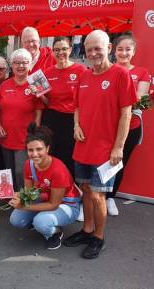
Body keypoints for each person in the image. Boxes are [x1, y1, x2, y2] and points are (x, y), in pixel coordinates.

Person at [63, 30, 137, 259]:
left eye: (98, 48)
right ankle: (86, 230)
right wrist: (76, 126)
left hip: (106, 150)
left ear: (109, 49)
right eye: (89, 49)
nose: (93, 53)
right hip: (83, 147)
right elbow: (77, 107)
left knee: (98, 196)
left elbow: (126, 114)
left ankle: (98, 237)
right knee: (85, 190)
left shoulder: (120, 75)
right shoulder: (84, 76)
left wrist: (118, 147)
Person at [7, 124, 80, 250]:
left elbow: (54, 204)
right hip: (45, 198)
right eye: (30, 150)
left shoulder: (58, 170)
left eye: (39, 149)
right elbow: (30, 193)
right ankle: (40, 218)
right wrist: (13, 194)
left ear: (47, 148)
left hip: (67, 204)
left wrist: (24, 206)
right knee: (16, 220)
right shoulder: (28, 165)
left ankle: (55, 232)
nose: (34, 154)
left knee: (41, 222)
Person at [105, 33, 150, 216]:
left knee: (118, 163)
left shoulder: (142, 72)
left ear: (134, 52)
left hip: (130, 127)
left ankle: (109, 198)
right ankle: (96, 197)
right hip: (106, 125)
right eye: (120, 49)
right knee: (100, 162)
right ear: (114, 51)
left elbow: (143, 101)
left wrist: (119, 103)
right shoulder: (106, 70)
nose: (123, 53)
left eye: (127, 49)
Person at [0, 48, 43, 190]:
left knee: (21, 171)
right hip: (6, 136)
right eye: (16, 63)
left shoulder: (36, 82)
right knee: (8, 170)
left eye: (24, 63)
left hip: (25, 137)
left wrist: (35, 133)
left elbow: (40, 109)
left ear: (30, 64)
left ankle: (25, 198)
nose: (20, 66)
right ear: (12, 65)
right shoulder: (4, 85)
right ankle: (12, 197)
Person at [41, 37, 87, 177]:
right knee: (51, 153)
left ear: (71, 50)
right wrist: (39, 94)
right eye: (57, 50)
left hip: (72, 119)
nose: (60, 52)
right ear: (53, 52)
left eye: (64, 49)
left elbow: (84, 98)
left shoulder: (81, 70)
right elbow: (47, 102)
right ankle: (52, 184)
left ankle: (69, 189)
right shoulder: (47, 73)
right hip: (52, 118)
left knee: (69, 154)